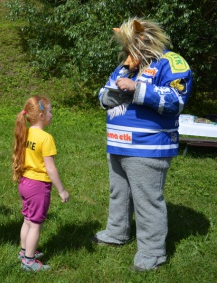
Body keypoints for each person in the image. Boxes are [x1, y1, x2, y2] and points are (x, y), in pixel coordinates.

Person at [93, 18, 193, 271]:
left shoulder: (171, 63)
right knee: (119, 194)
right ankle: (117, 232)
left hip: (147, 147)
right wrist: (114, 94)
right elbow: (103, 94)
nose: (128, 55)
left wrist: (137, 88)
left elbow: (175, 100)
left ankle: (153, 252)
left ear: (145, 40)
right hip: (117, 145)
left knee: (147, 200)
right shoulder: (125, 66)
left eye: (131, 47)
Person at [12, 96, 70, 272]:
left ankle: (24, 252)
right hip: (38, 186)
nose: (52, 114)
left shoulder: (25, 131)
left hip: (24, 182)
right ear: (42, 115)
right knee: (36, 224)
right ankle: (29, 261)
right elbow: (50, 169)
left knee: (28, 220)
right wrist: (62, 190)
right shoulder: (46, 138)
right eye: (50, 111)